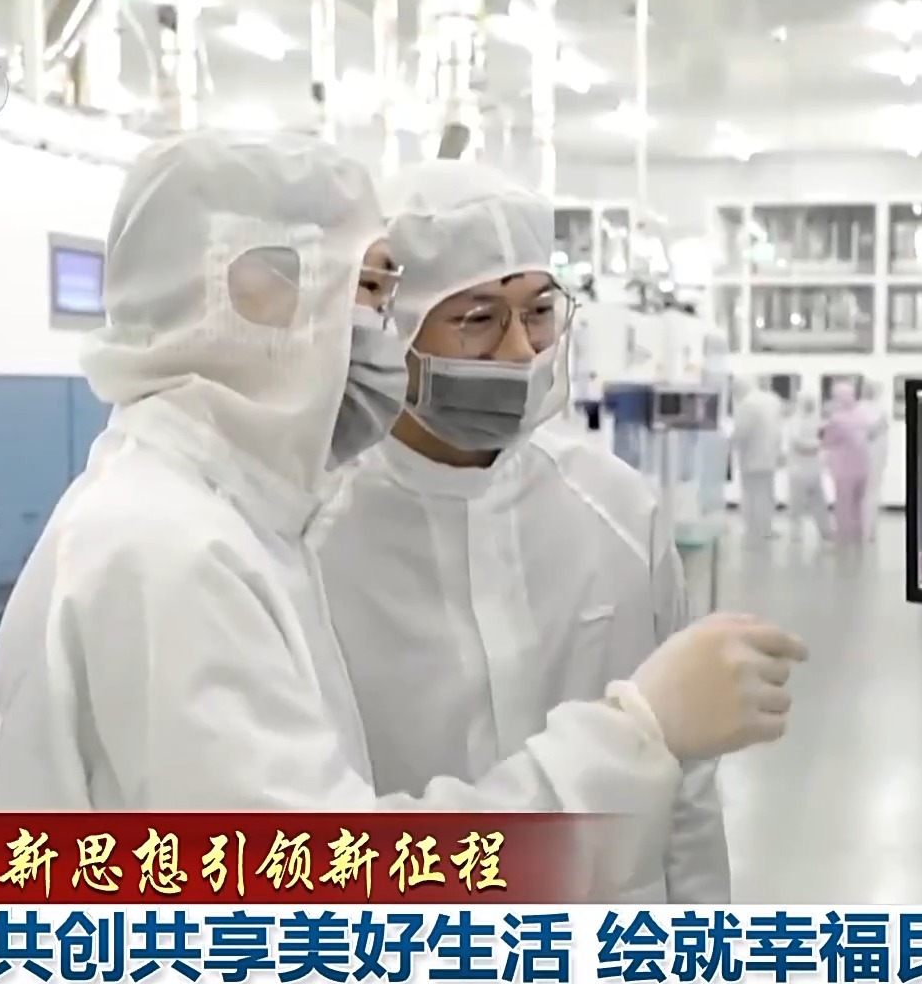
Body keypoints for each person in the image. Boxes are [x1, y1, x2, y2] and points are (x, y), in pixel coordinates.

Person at [0, 133, 809, 892]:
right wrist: (639, 733)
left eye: (540, 312)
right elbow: (326, 886)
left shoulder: (229, 522)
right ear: (260, 298)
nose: (377, 334)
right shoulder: (173, 552)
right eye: (369, 291)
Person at [310, 159, 733, 902]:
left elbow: (686, 784)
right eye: (477, 319)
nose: (518, 351)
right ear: (395, 328)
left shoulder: (617, 510)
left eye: (538, 312)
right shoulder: (317, 540)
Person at [731, 379, 785, 540]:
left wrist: (730, 443)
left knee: (751, 494)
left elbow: (742, 431)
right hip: (770, 456)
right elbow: (778, 429)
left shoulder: (747, 404)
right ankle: (766, 528)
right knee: (767, 494)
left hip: (752, 457)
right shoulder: (773, 400)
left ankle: (753, 529)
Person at [821, 380, 873, 544]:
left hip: (843, 469)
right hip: (862, 467)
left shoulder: (837, 419)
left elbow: (827, 441)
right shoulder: (861, 415)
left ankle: (844, 535)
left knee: (843, 504)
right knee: (858, 503)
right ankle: (859, 533)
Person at [784, 393, 833, 541]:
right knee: (796, 505)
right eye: (807, 402)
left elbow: (825, 438)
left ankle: (826, 531)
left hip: (813, 470)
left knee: (819, 503)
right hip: (797, 470)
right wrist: (816, 446)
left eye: (812, 402)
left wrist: (818, 446)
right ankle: (795, 534)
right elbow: (798, 443)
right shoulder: (795, 421)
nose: (810, 405)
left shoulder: (817, 421)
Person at [861, 381, 892, 542]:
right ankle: (869, 529)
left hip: (863, 457)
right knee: (872, 493)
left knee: (864, 494)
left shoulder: (859, 409)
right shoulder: (879, 410)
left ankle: (864, 529)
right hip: (875, 457)